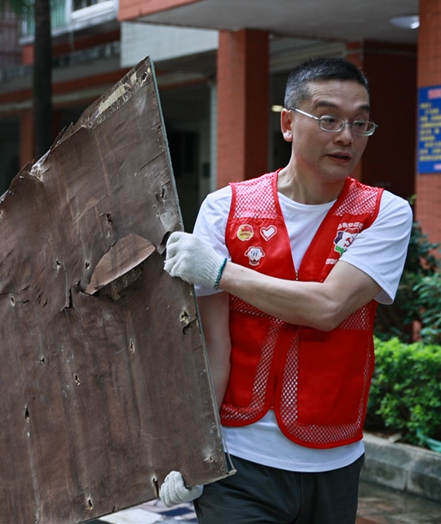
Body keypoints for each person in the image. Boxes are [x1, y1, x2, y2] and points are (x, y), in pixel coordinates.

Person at [160, 57, 413, 522]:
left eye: (360, 122)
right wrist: (194, 448)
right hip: (239, 464)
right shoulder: (226, 208)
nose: (346, 136)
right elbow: (214, 345)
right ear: (289, 123)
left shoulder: (385, 213)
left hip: (335, 462)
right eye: (329, 117)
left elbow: (329, 307)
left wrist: (221, 272)